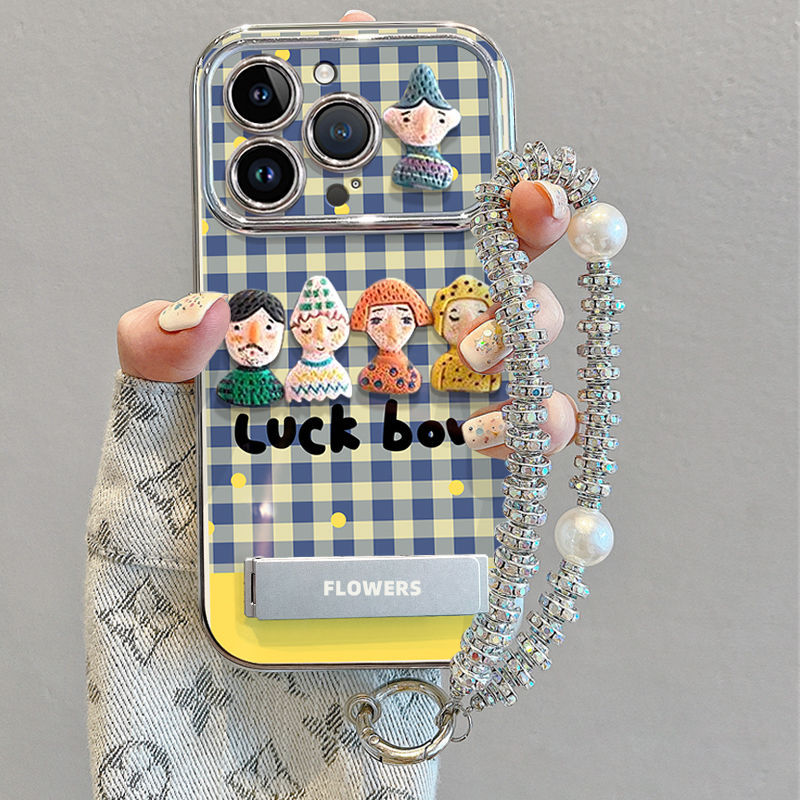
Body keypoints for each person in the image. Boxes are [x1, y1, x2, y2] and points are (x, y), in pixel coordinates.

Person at [85, 11, 580, 798]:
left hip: (366, 595)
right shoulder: (287, 358)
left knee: (499, 354)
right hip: (237, 605)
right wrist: (164, 532)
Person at [350, 277, 433, 395]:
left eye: (406, 320)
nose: (393, 332)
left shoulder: (410, 377)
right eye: (376, 320)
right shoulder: (369, 376)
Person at [285, 275, 352, 403]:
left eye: (332, 328)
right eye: (306, 330)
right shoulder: (295, 379)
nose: (321, 337)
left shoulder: (340, 378)